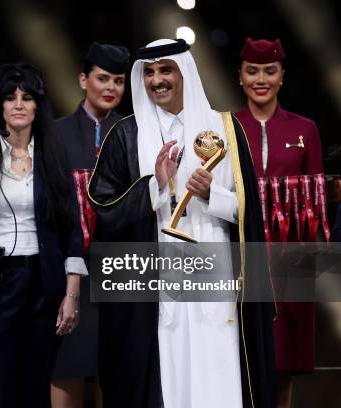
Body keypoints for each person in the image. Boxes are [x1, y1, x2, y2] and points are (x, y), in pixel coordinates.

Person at [87, 39, 276, 408]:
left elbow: (249, 212)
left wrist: (211, 196)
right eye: (150, 73)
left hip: (215, 271)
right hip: (156, 280)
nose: (157, 80)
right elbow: (104, 207)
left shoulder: (225, 128)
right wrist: (154, 185)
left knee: (216, 368)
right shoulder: (125, 135)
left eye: (165, 70)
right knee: (168, 375)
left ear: (183, 72)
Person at [0, 63, 87, 408]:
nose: (19, 104)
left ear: (38, 106)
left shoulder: (53, 156)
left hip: (44, 283)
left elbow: (71, 229)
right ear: (0, 106)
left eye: (26, 98)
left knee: (37, 385)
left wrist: (71, 295)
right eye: (10, 98)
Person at [235, 37, 324, 408]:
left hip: (290, 263)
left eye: (269, 71)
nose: (261, 79)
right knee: (239, 361)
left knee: (284, 365)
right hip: (240, 261)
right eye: (252, 71)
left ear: (282, 76)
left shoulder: (306, 129)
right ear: (240, 76)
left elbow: (317, 205)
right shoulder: (225, 127)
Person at [52, 41, 129, 408]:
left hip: (121, 269)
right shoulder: (54, 134)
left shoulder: (135, 133)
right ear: (83, 80)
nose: (111, 87)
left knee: (113, 370)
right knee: (64, 364)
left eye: (118, 80)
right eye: (102, 78)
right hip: (69, 271)